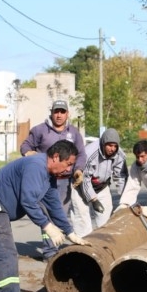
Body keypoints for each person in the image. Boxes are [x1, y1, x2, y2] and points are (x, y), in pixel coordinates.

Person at [0, 140, 90, 292]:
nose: (69, 170)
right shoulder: (36, 166)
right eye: (68, 164)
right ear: (56, 157)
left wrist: (70, 232)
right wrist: (47, 226)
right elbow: (28, 201)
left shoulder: (49, 177)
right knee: (6, 254)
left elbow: (54, 205)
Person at [19, 99, 87, 260]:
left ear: (67, 114)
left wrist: (78, 169)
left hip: (64, 182)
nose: (59, 115)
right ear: (51, 112)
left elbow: (81, 154)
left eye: (62, 112)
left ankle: (54, 248)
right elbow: (25, 146)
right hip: (44, 178)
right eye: (56, 111)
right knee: (46, 215)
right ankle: (50, 252)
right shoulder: (40, 130)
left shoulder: (74, 133)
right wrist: (29, 154)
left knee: (59, 214)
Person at [69, 128, 128, 236]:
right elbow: (85, 178)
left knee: (105, 218)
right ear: (103, 143)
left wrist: (125, 199)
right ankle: (84, 246)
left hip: (101, 186)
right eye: (110, 145)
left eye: (115, 146)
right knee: (82, 219)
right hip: (80, 185)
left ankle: (102, 245)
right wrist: (93, 199)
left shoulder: (119, 155)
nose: (112, 149)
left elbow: (121, 176)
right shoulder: (90, 153)